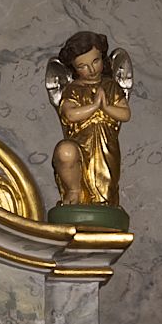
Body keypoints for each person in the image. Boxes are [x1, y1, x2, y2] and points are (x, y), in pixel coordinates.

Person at [50, 31, 132, 208]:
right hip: (81, 144)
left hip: (105, 145)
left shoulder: (110, 86)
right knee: (65, 152)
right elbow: (69, 114)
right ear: (74, 68)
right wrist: (95, 106)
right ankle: (74, 192)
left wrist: (106, 107)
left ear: (102, 57)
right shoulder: (73, 90)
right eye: (83, 66)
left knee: (105, 179)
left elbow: (125, 114)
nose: (92, 70)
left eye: (96, 61)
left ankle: (105, 204)